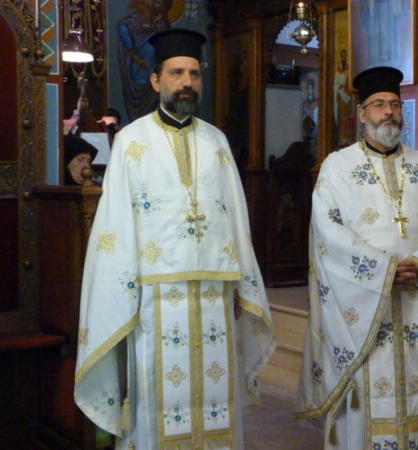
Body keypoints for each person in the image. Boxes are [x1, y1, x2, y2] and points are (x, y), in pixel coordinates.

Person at [74, 28, 275, 449]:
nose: (187, 82)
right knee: (160, 402)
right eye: (177, 73)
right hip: (156, 297)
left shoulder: (217, 142)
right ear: (156, 81)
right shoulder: (131, 142)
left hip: (215, 295)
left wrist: (242, 284)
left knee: (217, 397)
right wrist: (123, 292)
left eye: (194, 74)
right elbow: (115, 226)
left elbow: (236, 217)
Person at [297, 66, 418, 449]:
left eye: (394, 104)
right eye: (378, 105)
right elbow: (328, 232)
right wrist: (383, 269)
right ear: (362, 114)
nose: (388, 112)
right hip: (362, 306)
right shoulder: (337, 167)